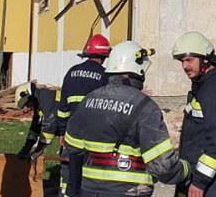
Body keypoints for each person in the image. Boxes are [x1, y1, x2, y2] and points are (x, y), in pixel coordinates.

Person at [64, 40, 190, 196]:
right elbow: (163, 167)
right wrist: (186, 170)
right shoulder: (145, 107)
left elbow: (72, 145)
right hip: (129, 191)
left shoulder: (88, 101)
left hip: (89, 191)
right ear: (138, 71)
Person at [172, 31, 216, 197]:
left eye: (189, 60)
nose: (184, 66)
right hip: (208, 181)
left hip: (214, 186)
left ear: (205, 59)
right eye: (182, 61)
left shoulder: (214, 90)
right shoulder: (207, 83)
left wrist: (200, 181)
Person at [57, 34, 111, 196]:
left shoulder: (71, 72)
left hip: (71, 134)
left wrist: (61, 131)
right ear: (104, 56)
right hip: (94, 136)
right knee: (90, 174)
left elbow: (63, 107)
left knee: (68, 172)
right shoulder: (105, 76)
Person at [15, 82, 60, 161]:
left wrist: (37, 151)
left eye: (26, 105)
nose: (26, 110)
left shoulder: (46, 100)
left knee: (68, 155)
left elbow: (49, 128)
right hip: (66, 124)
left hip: (74, 125)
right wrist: (26, 148)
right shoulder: (38, 100)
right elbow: (35, 126)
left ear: (29, 97)